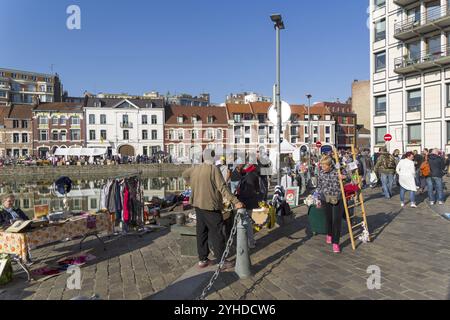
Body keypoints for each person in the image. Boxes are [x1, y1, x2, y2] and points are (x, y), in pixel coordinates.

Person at [182, 153, 244, 269]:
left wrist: (191, 184)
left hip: (197, 204)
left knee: (202, 232)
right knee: (218, 233)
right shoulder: (213, 169)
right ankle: (222, 261)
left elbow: (184, 174)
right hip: (210, 206)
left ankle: (202, 259)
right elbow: (222, 187)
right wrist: (235, 201)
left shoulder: (195, 168)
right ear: (213, 158)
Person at [315, 156, 344, 253]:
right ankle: (329, 233)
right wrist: (317, 197)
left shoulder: (337, 171)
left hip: (337, 198)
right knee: (328, 218)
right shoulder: (321, 173)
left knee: (336, 220)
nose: (322, 166)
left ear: (329, 165)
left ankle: (336, 243)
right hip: (325, 199)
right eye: (321, 164)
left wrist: (344, 177)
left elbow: (352, 177)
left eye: (324, 165)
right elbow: (319, 186)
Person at [237, 163, 261, 249]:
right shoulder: (253, 176)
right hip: (250, 202)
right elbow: (257, 189)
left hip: (244, 202)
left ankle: (247, 241)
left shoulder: (245, 177)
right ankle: (250, 242)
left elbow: (243, 190)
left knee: (245, 222)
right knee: (249, 223)